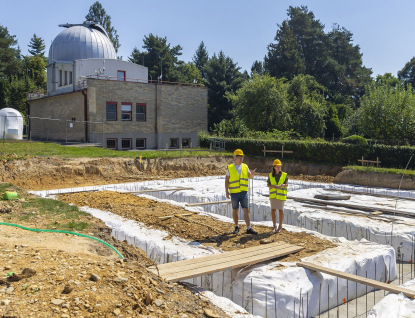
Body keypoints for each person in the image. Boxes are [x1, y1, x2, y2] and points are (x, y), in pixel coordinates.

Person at [225, 149, 258, 235]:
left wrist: (252, 174)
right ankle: (236, 226)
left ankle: (249, 228)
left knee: (246, 209)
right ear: (235, 158)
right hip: (234, 193)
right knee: (235, 210)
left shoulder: (245, 167)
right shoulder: (230, 167)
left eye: (242, 157)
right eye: (240, 157)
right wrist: (226, 191)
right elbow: (227, 180)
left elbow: (249, 177)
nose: (241, 159)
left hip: (243, 192)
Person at [267, 159, 288, 233]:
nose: (279, 168)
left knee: (280, 210)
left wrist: (281, 185)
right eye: (278, 167)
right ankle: (274, 226)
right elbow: (268, 185)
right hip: (273, 195)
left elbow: (286, 184)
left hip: (281, 196)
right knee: (273, 210)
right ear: (274, 167)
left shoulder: (284, 174)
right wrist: (274, 186)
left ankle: (280, 226)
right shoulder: (270, 175)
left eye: (280, 166)